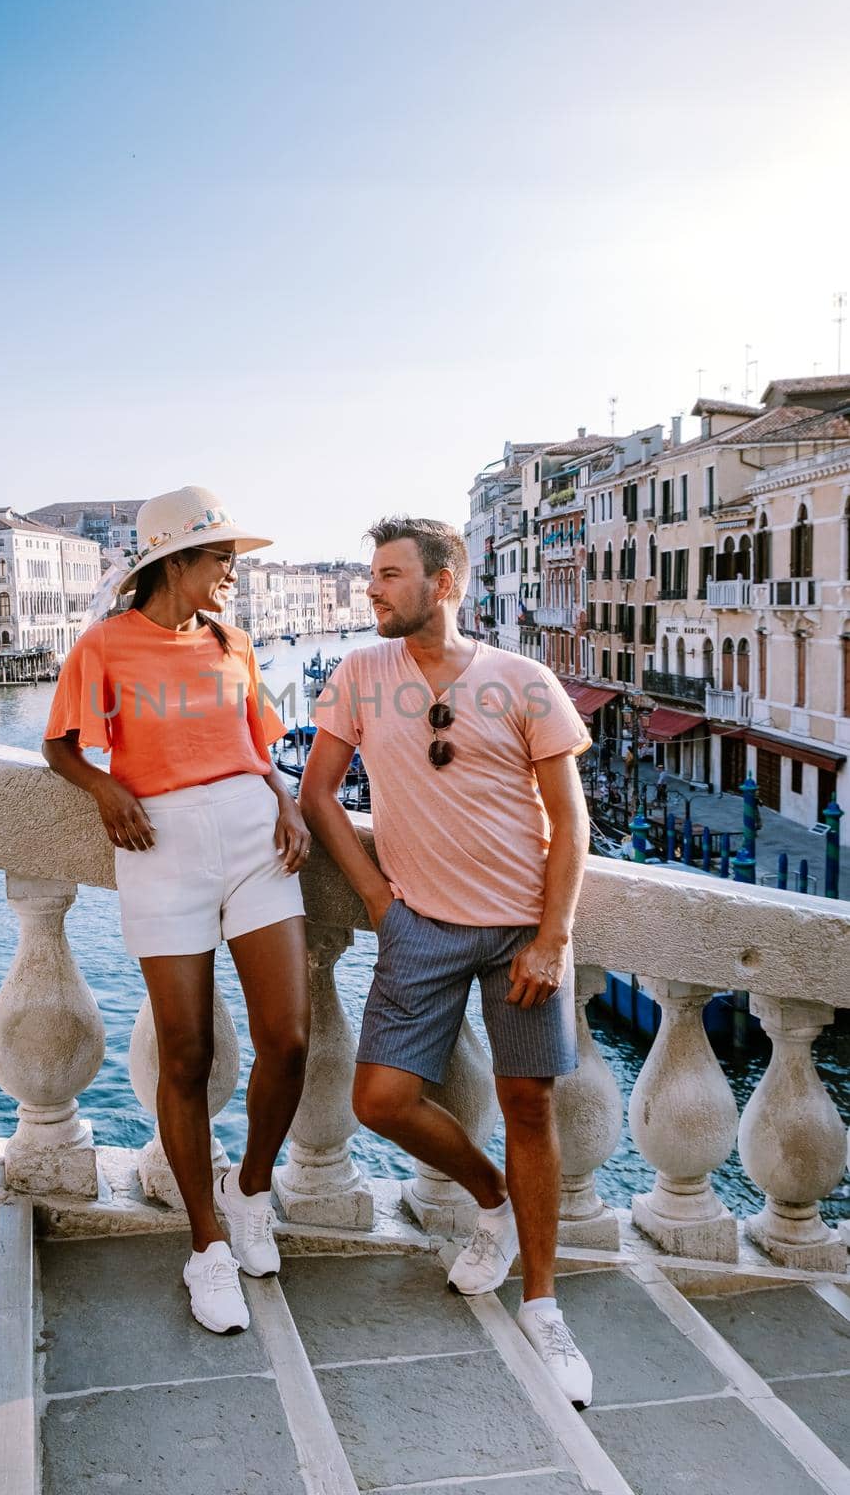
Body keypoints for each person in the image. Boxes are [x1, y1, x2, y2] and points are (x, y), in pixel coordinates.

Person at [300, 515, 594, 1408]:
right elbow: (316, 792)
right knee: (379, 1100)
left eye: (389, 575)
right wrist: (381, 902)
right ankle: (492, 1200)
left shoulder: (522, 681)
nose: (372, 589)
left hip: (519, 931)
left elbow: (568, 818)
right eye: (370, 575)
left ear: (445, 581)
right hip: (417, 927)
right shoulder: (358, 674)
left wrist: (552, 935)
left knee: (527, 1104)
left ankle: (543, 1304)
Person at [42, 486, 310, 1337]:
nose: (233, 570)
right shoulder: (104, 646)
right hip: (159, 847)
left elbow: (257, 744)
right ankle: (205, 1247)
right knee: (185, 1050)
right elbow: (58, 745)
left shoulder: (233, 641)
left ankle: (251, 1189)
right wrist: (103, 787)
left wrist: (287, 798)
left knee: (290, 1037)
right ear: (173, 561)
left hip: (252, 833)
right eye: (220, 556)